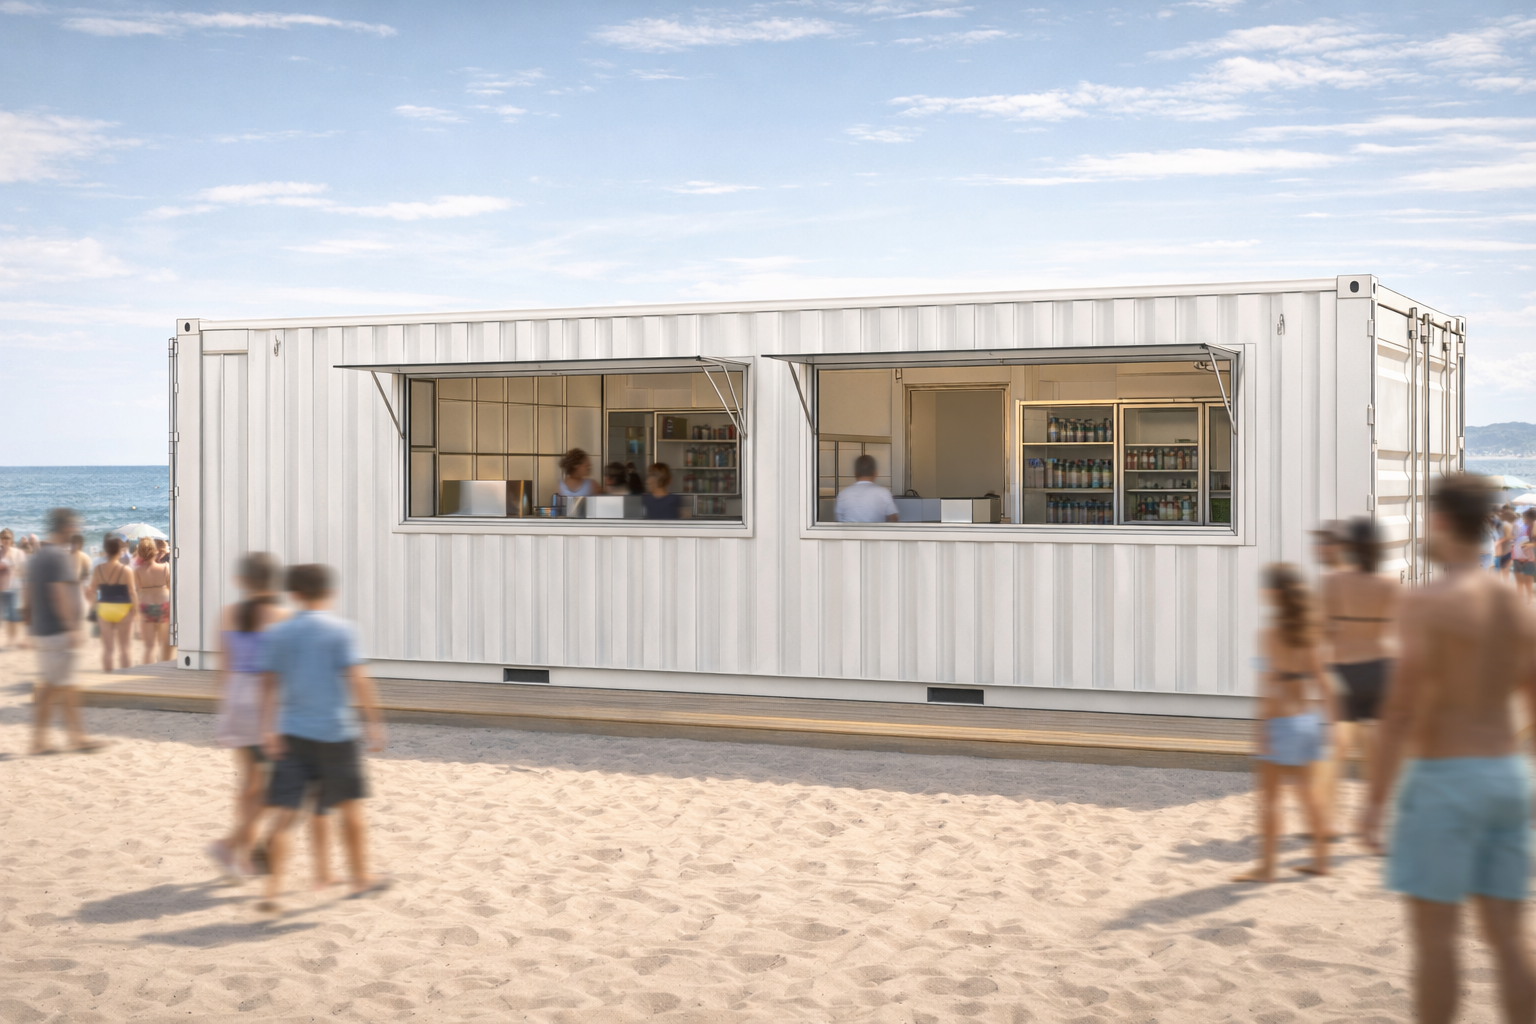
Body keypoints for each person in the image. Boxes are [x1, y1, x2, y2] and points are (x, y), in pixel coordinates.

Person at [1362, 474, 1536, 1024]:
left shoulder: (1427, 603)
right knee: (1508, 941)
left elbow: (1401, 711)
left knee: (1437, 943)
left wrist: (1373, 802)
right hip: (1506, 778)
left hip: (1443, 781)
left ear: (1439, 522)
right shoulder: (1515, 607)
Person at [257, 563, 388, 912]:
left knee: (285, 815)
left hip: (292, 732)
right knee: (349, 810)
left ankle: (271, 892)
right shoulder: (341, 630)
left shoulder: (278, 633)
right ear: (329, 592)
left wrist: (267, 729)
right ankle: (361, 878)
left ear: (294, 594)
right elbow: (357, 679)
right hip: (335, 732)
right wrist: (373, 722)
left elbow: (268, 684)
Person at [1233, 563, 1332, 882]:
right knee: (1308, 796)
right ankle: (1320, 860)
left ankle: (1267, 867)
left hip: (1281, 721)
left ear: (1275, 594)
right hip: (1308, 719)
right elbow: (1324, 682)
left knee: (1270, 801)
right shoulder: (1310, 634)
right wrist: (1327, 722)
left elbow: (1268, 685)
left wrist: (1261, 727)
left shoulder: (1270, 635)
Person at [207, 552, 288, 879]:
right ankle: (231, 845)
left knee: (250, 784)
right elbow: (279, 673)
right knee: (280, 788)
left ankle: (240, 856)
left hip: (235, 700)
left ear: (242, 581)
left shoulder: (226, 615)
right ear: (273, 581)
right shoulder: (280, 616)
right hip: (263, 704)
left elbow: (224, 668)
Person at [1317, 517, 1399, 835]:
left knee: (1336, 750)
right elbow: (1395, 634)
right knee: (1375, 752)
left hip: (1343, 669)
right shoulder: (1390, 583)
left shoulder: (1332, 581)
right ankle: (1375, 819)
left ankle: (1328, 819)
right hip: (1379, 669)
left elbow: (1324, 632)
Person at [28, 508, 102, 755]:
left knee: (52, 687)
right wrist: (72, 628)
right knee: (67, 687)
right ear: (66, 528)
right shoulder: (57, 557)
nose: (77, 530)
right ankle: (77, 738)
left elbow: (28, 594)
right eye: (74, 526)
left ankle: (40, 740)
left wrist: (30, 622)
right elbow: (58, 594)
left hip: (43, 629)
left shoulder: (37, 557)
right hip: (58, 630)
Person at [89, 536, 137, 672]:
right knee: (125, 648)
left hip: (104, 608)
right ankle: (125, 679)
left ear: (106, 550)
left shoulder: (98, 569)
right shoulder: (126, 570)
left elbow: (92, 591)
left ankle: (108, 676)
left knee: (108, 649)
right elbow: (132, 593)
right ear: (119, 551)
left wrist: (93, 608)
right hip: (123, 608)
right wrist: (136, 611)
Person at [133, 537, 172, 663]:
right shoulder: (166, 567)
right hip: (164, 605)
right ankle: (164, 673)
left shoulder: (137, 571)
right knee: (165, 644)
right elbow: (171, 587)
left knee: (149, 647)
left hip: (146, 606)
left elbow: (139, 590)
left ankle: (147, 672)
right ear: (154, 551)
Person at [834, 454, 898, 523]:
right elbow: (893, 520)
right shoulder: (884, 493)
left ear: (855, 474)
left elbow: (839, 520)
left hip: (850, 533)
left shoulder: (843, 494)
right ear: (875, 473)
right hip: (876, 533)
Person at [0, 528, 24, 651]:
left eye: (8, 538)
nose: (5, 541)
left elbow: (24, 571)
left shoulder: (18, 553)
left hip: (14, 588)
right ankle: (11, 640)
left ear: (12, 539)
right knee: (4, 617)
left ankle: (11, 641)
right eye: (3, 538)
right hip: (1, 589)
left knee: (13, 617)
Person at [556, 448, 596, 515]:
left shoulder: (591, 484)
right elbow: (557, 511)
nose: (589, 467)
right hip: (565, 524)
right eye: (586, 465)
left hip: (587, 524)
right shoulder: (560, 485)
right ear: (576, 466)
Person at [1513, 508, 1536, 603]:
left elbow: (1533, 541)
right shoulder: (1524, 526)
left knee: (1525, 579)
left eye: (1524, 517)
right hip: (1521, 555)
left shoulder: (1533, 524)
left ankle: (1527, 599)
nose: (1523, 519)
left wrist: (1527, 545)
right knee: (1525, 579)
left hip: (1528, 556)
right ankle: (1525, 599)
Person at [1495, 507, 1517, 580]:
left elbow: (1505, 537)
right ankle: (1506, 583)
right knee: (1507, 568)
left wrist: (1498, 542)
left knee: (1501, 569)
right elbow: (1512, 536)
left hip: (1503, 549)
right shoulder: (1511, 524)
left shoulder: (1504, 524)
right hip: (1509, 549)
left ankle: (1502, 585)